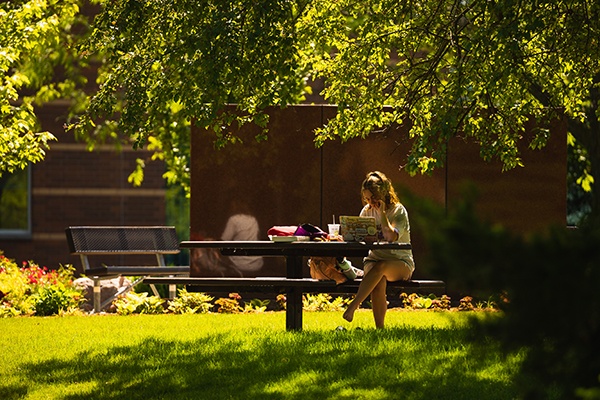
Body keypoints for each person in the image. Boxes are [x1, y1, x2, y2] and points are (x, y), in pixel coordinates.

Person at [343, 171, 415, 328]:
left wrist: (382, 213)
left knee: (381, 268)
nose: (370, 202)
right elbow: (359, 238)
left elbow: (391, 237)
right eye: (367, 198)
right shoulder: (366, 211)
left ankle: (354, 305)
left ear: (382, 194)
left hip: (399, 262)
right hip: (374, 259)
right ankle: (380, 329)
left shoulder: (398, 211)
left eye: (373, 198)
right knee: (378, 279)